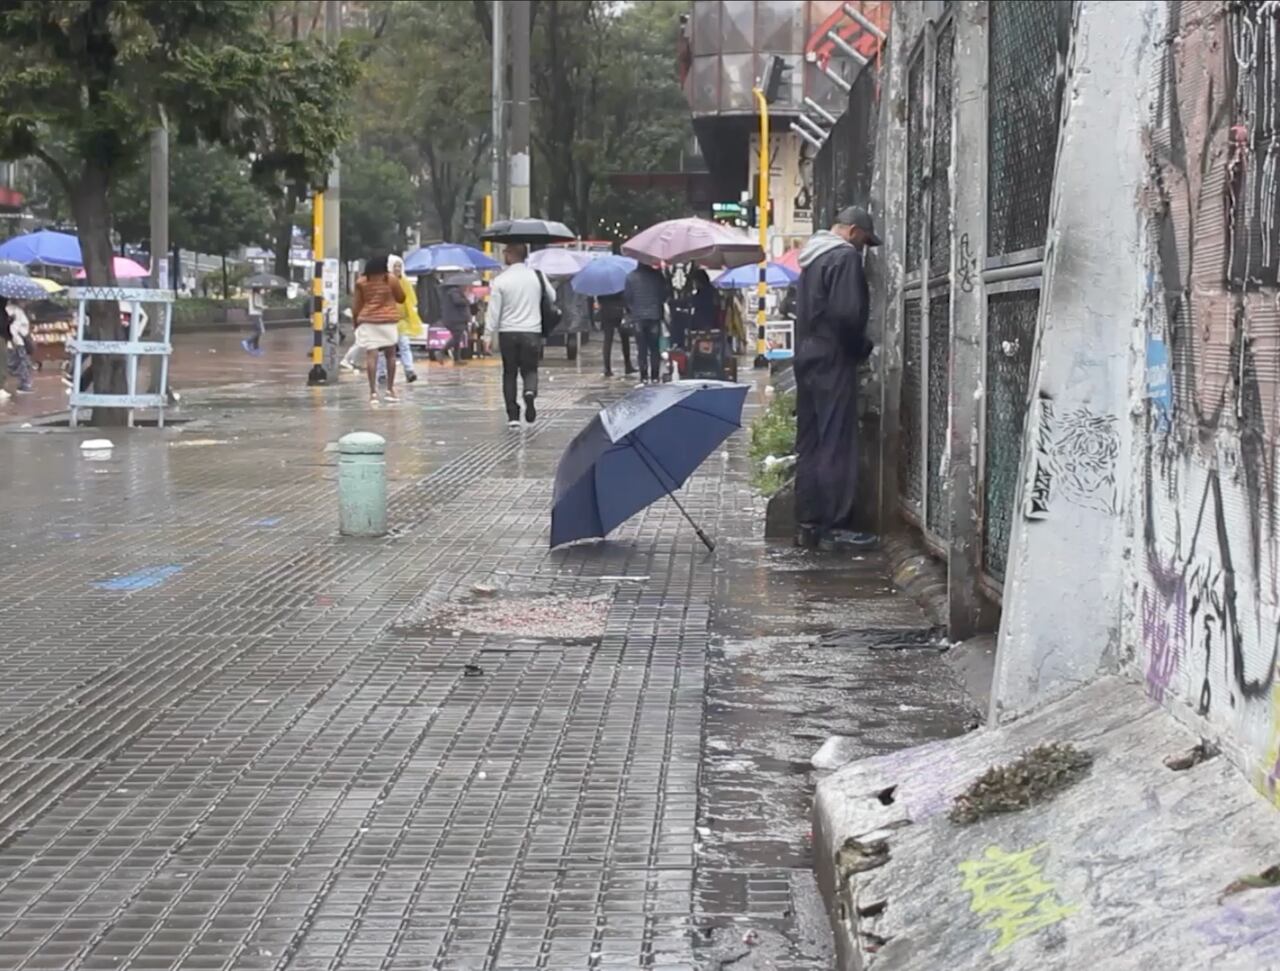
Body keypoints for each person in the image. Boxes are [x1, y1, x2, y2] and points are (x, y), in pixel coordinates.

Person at [793, 205, 881, 551]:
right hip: (833, 356)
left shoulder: (812, 259)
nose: (863, 249)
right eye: (865, 241)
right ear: (854, 231)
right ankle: (836, 526)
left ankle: (809, 523)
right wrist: (861, 347)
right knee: (836, 441)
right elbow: (847, 314)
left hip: (807, 355)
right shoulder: (843, 258)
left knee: (811, 440)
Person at [484, 243, 555, 427]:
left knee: (509, 373)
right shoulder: (537, 276)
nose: (504, 254)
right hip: (532, 331)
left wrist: (487, 335)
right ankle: (530, 392)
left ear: (512, 254)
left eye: (506, 251)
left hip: (508, 332)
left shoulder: (501, 280)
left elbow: (494, 311)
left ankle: (513, 416)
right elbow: (552, 297)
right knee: (530, 369)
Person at [351, 256, 405, 404]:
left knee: (371, 357)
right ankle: (390, 389)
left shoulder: (361, 282)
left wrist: (355, 323)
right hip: (388, 321)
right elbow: (401, 298)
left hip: (368, 321)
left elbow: (356, 305)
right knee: (391, 356)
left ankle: (373, 393)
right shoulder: (391, 279)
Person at [376, 255, 420, 384]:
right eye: (395, 266)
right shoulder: (384, 282)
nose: (397, 269)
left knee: (404, 345)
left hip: (401, 321)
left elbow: (411, 301)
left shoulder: (405, 282)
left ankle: (409, 371)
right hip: (386, 321)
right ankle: (382, 373)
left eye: (399, 266)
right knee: (384, 348)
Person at [623, 262, 669, 384]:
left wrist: (632, 310)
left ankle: (643, 376)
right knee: (654, 348)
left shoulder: (630, 277)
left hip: (638, 317)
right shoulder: (658, 276)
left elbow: (627, 298)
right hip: (654, 316)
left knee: (641, 349)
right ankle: (655, 376)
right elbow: (664, 295)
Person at [598, 291, 634, 378]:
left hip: (606, 312)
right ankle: (628, 365)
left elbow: (599, 298)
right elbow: (626, 296)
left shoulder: (602, 284)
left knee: (607, 340)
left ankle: (607, 368)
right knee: (625, 339)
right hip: (619, 311)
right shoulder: (620, 282)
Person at [3, 299, 32, 396]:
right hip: (18, 342)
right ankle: (24, 385)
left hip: (10, 342)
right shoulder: (17, 311)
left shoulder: (6, 309)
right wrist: (15, 339)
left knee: (11, 363)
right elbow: (15, 328)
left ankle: (21, 384)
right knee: (22, 363)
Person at [440, 278, 472, 364]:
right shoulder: (454, 291)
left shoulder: (455, 292)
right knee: (457, 337)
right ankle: (442, 352)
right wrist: (467, 300)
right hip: (455, 319)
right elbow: (458, 301)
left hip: (457, 318)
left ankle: (457, 358)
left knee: (458, 338)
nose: (466, 286)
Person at [241, 286, 265, 356]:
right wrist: (262, 307)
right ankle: (247, 341)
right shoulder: (254, 295)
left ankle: (256, 347)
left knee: (257, 331)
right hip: (255, 314)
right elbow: (255, 305)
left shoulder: (257, 295)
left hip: (256, 314)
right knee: (260, 331)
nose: (261, 289)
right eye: (259, 288)